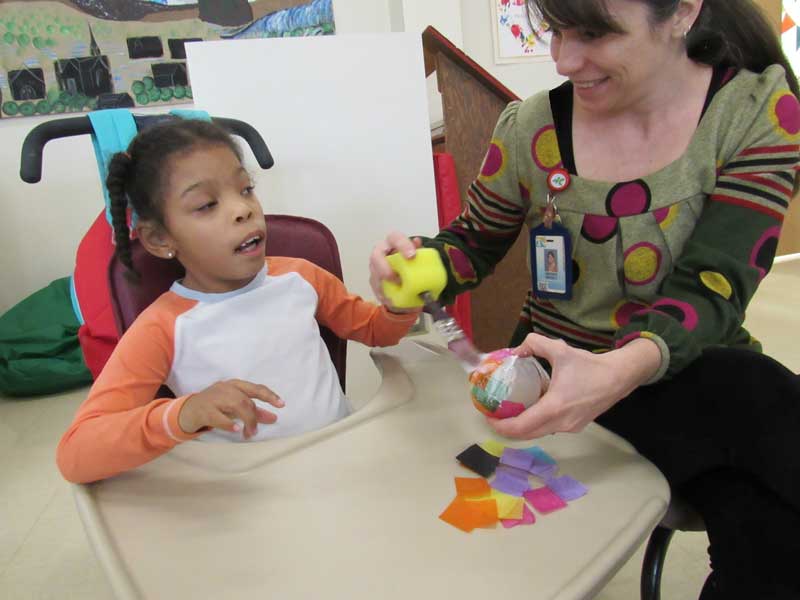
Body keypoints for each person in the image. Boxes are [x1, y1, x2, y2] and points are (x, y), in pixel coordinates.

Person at [369, 0, 800, 597]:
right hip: (550, 386)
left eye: (596, 33)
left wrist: (622, 368)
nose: (565, 59)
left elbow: (714, 283)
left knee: (766, 485)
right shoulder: (530, 128)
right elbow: (471, 243)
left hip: (689, 377)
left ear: (682, 13)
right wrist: (419, 267)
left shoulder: (756, 110)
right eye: (556, 30)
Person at [57, 118, 418, 484]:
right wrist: (183, 414)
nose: (243, 209)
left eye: (245, 189)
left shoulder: (300, 277)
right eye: (206, 204)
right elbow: (76, 453)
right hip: (251, 491)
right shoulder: (162, 327)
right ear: (160, 239)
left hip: (342, 460)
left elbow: (377, 331)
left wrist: (400, 301)